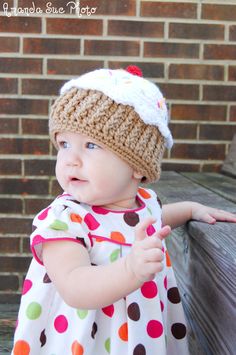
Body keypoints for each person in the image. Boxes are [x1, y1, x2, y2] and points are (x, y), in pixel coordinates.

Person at [12, 66, 236, 355]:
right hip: (84, 341)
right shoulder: (64, 221)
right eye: (64, 144)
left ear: (137, 166)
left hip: (137, 337)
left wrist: (192, 209)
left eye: (90, 145)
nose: (70, 160)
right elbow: (74, 285)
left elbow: (157, 218)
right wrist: (130, 269)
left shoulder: (143, 204)